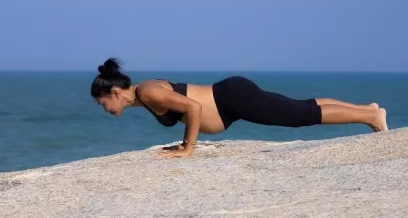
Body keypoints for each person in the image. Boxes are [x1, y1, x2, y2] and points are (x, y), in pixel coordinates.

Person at [91, 58, 388, 158]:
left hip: (231, 99)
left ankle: (370, 116)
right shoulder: (144, 96)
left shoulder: (148, 91)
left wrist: (188, 148)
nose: (104, 109)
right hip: (230, 100)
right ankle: (368, 109)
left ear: (115, 92)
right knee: (300, 107)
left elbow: (193, 108)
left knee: (301, 115)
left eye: (103, 102)